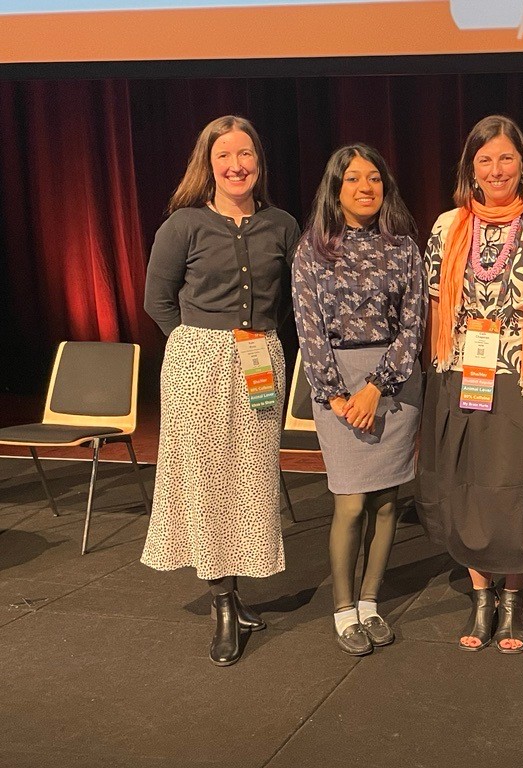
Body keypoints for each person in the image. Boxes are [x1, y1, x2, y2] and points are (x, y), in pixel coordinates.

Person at [417, 115, 523, 654]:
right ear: (471, 167)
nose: (495, 170)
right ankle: (480, 596)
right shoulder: (446, 227)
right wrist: (438, 375)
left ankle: (513, 599)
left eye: (506, 159)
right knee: (467, 486)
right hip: (465, 372)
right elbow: (438, 306)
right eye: (485, 159)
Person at [142, 115, 299, 667]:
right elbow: (157, 301)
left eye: (246, 155)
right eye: (224, 156)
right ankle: (223, 601)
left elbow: (288, 302)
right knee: (205, 478)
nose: (236, 166)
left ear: (259, 162)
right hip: (197, 362)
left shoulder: (282, 224)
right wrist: (196, 346)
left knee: (252, 476)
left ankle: (240, 585)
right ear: (207, 164)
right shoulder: (183, 225)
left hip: (260, 358)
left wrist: (255, 341)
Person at [292, 144, 424, 657]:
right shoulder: (313, 249)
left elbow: (413, 326)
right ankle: (344, 611)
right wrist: (340, 394)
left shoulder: (404, 247)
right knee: (350, 503)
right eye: (353, 179)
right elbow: (309, 330)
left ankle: (372, 604)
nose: (366, 187)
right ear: (336, 188)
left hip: (395, 385)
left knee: (389, 500)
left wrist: (378, 386)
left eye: (374, 178)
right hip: (338, 386)